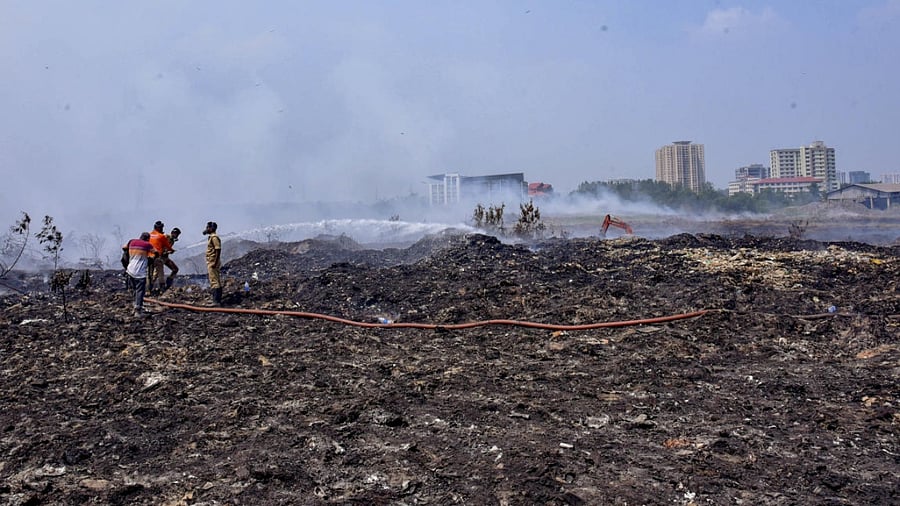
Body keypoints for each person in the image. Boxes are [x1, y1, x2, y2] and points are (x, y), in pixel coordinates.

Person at [124, 232, 155, 317]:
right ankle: (138, 311)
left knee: (134, 290)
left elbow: (124, 247)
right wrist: (151, 257)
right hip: (140, 272)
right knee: (140, 291)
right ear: (148, 239)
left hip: (130, 270)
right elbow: (156, 253)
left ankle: (135, 306)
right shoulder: (147, 245)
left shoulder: (132, 241)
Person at [148, 221, 175, 294]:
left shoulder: (149, 235)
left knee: (149, 274)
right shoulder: (162, 236)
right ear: (159, 228)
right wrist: (172, 250)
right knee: (160, 273)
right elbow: (168, 246)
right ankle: (162, 288)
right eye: (162, 227)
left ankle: (148, 289)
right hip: (157, 257)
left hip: (148, 257)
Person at [203, 221, 222, 306]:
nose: (206, 229)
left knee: (214, 281)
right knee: (215, 280)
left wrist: (215, 262)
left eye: (207, 227)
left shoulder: (214, 237)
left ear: (211, 228)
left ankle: (216, 301)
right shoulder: (211, 237)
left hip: (213, 261)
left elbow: (218, 249)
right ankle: (216, 299)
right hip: (212, 261)